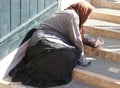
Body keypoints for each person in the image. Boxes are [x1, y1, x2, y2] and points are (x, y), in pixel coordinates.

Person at [9, 1, 101, 87]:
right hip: (43, 42)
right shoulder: (72, 16)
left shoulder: (71, 14)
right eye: (88, 13)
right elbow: (76, 40)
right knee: (68, 54)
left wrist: (92, 43)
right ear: (82, 11)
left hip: (44, 42)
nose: (88, 17)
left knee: (70, 53)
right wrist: (83, 60)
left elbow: (78, 36)